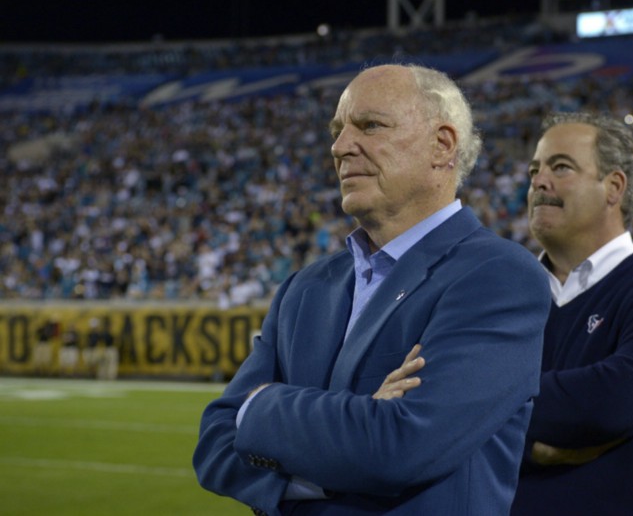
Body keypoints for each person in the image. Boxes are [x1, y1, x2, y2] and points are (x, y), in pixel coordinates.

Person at [193, 63, 551, 516]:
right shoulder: (305, 288)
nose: (340, 146)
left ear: (442, 146)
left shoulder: (498, 276)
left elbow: (400, 446)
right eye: (337, 131)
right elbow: (215, 442)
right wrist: (356, 432)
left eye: (370, 126)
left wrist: (261, 406)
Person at [510, 112, 633, 516]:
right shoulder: (503, 294)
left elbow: (607, 405)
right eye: (534, 170)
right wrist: (535, 434)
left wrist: (484, 411)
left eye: (560, 167)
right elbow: (439, 400)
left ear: (614, 187)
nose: (539, 181)